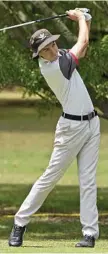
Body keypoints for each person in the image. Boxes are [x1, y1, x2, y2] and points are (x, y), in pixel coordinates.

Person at [8, 9, 100, 248]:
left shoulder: (60, 56)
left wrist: (86, 20)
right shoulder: (54, 67)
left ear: (54, 42)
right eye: (44, 50)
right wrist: (81, 19)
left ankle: (90, 233)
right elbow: (83, 43)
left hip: (92, 123)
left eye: (50, 45)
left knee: (88, 180)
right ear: (38, 55)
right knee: (50, 178)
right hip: (70, 129)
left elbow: (84, 46)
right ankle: (20, 222)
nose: (49, 51)